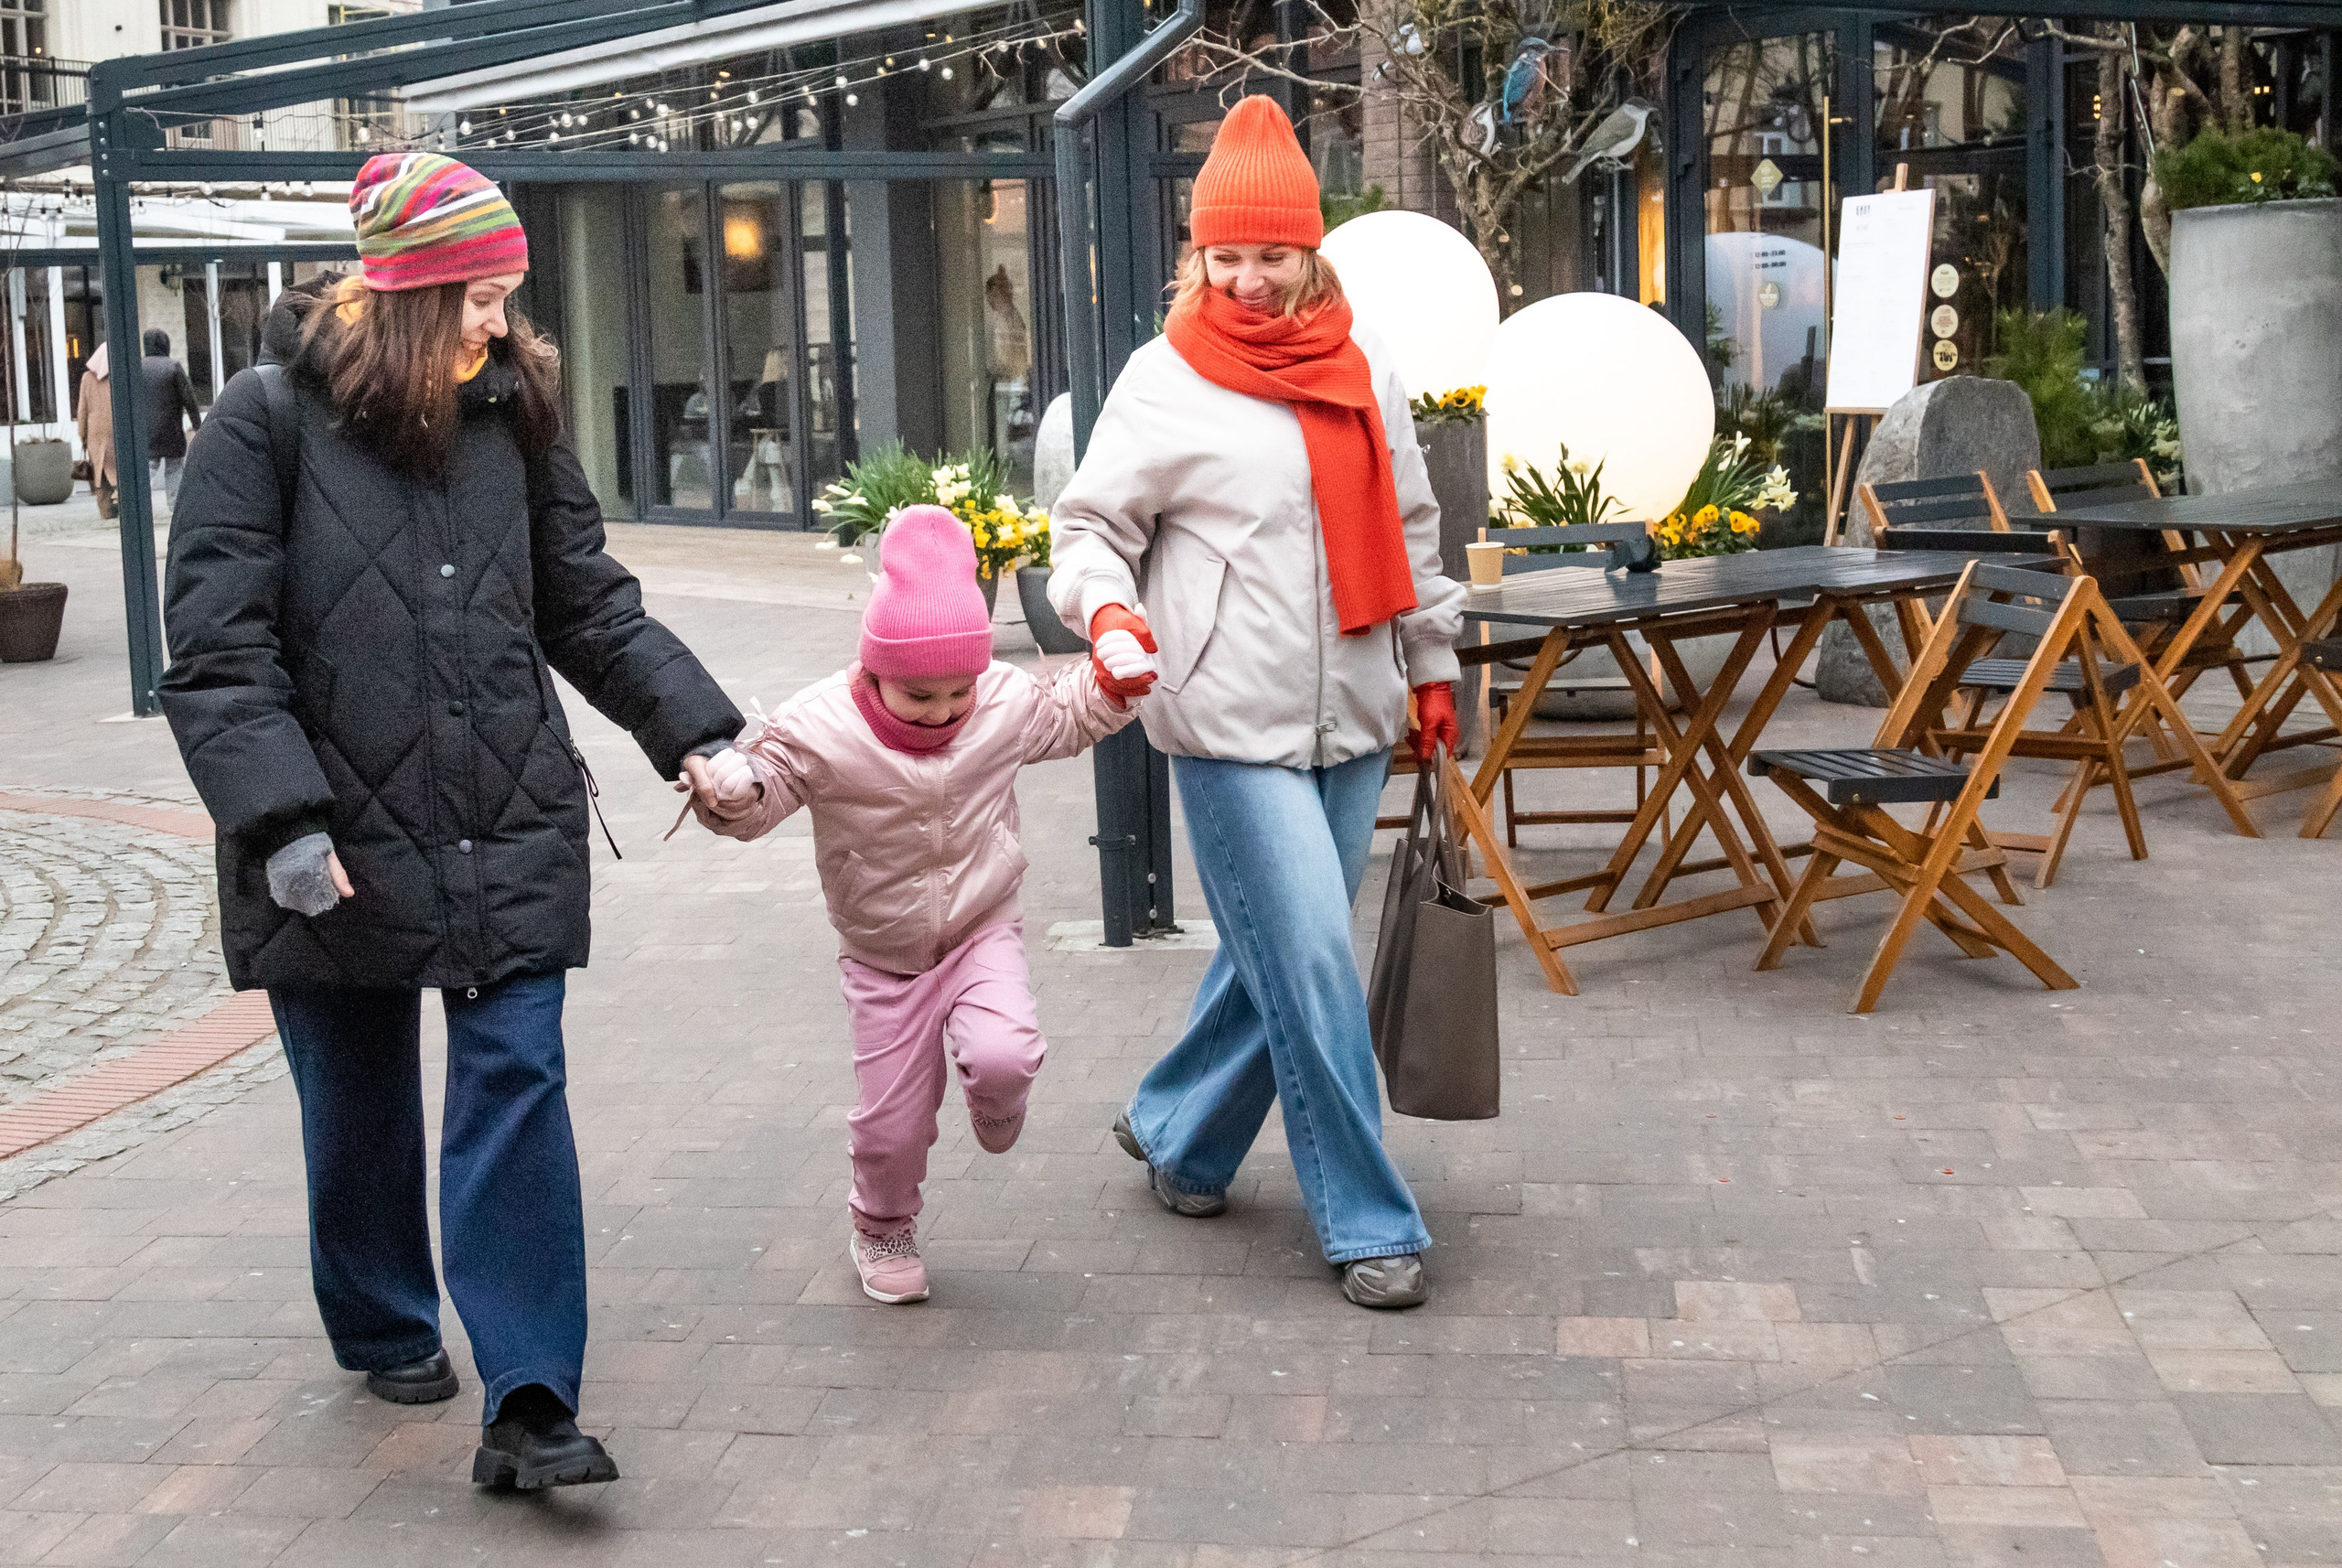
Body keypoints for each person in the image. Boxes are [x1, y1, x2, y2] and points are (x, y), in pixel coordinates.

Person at [160, 153, 758, 1491]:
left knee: (515, 1080)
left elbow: (587, 604)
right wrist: (283, 823)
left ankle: (534, 1397)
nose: (502, 323)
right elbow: (215, 651)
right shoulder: (261, 423)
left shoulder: (516, 417)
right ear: (411, 298)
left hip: (503, 814)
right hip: (330, 837)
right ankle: (381, 1314)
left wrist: (700, 733)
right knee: (359, 1102)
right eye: (481, 297)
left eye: (507, 297)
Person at [1047, 95, 1465, 1311]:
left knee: (1278, 954)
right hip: (1225, 719)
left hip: (1354, 711)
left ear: (1312, 251)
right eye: (1224, 258)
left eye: (1270, 258)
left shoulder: (1365, 364)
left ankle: (1180, 1129)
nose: (1246, 283)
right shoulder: (1164, 378)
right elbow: (1088, 528)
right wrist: (1110, 613)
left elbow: (1414, 524)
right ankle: (1368, 1218)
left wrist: (1432, 666)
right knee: (1315, 965)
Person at [691, 505, 1148, 1304]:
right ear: (873, 670)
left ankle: (995, 1093)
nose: (942, 711)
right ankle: (883, 1223)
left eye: (957, 691)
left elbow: (1070, 713)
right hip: (882, 952)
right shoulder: (821, 726)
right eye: (919, 694)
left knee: (1006, 1052)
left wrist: (1117, 682)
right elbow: (763, 791)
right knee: (894, 1123)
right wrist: (731, 790)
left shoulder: (1000, 702)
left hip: (980, 926)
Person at [141, 328, 203, 503]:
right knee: (174, 469)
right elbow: (189, 399)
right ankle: (174, 505)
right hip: (171, 430)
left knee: (149, 467)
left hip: (146, 432)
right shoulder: (173, 367)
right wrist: (197, 425)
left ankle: (141, 504)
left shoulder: (138, 367)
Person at [72, 340, 114, 520]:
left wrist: (82, 435)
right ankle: (120, 504)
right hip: (115, 431)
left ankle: (106, 512)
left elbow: (82, 410)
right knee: (118, 472)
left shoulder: (87, 378)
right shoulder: (118, 376)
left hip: (95, 434)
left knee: (100, 475)